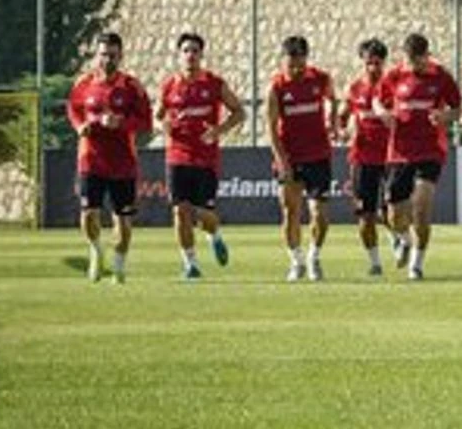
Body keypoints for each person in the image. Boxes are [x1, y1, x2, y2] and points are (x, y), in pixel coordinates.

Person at [157, 32, 245, 280]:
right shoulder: (169, 85)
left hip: (206, 158)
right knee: (180, 211)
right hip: (177, 156)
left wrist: (218, 130)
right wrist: (162, 126)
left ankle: (214, 235)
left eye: (195, 51)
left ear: (201, 55)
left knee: (203, 213)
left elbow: (239, 112)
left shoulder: (214, 83)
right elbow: (158, 115)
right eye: (186, 50)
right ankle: (190, 264)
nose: (190, 55)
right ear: (179, 55)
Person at [67, 32, 153, 283]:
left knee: (123, 222)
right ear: (97, 55)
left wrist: (121, 123)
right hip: (91, 159)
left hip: (122, 163)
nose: (107, 60)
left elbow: (146, 122)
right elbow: (73, 109)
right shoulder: (84, 83)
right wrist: (80, 126)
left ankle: (119, 264)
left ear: (121, 56)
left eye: (112, 55)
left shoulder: (132, 87)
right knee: (88, 214)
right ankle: (96, 250)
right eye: (103, 55)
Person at [374, 33, 461, 280]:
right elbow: (377, 101)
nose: (416, 65)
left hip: (430, 149)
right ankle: (403, 239)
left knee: (421, 209)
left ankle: (417, 264)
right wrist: (383, 114)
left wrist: (445, 116)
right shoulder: (394, 76)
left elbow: (457, 109)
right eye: (411, 60)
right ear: (405, 57)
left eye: (420, 59)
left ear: (427, 55)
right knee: (393, 214)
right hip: (400, 152)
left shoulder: (441, 76)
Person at [266, 35, 337, 282]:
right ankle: (296, 261)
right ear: (283, 60)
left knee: (320, 214)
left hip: (318, 155)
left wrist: (333, 122)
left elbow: (332, 99)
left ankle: (314, 256)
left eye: (300, 63)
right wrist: (281, 160)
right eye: (291, 64)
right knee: (290, 211)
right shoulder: (276, 87)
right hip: (290, 157)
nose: (295, 69)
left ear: (306, 59)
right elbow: (271, 127)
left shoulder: (320, 79)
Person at [341, 39, 393, 276]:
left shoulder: (393, 88)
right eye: (368, 63)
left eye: (377, 63)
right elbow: (343, 116)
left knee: (392, 211)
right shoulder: (354, 89)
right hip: (362, 158)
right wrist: (341, 128)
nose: (372, 68)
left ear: (384, 63)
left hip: (391, 157)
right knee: (365, 215)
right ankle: (375, 262)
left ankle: (397, 237)